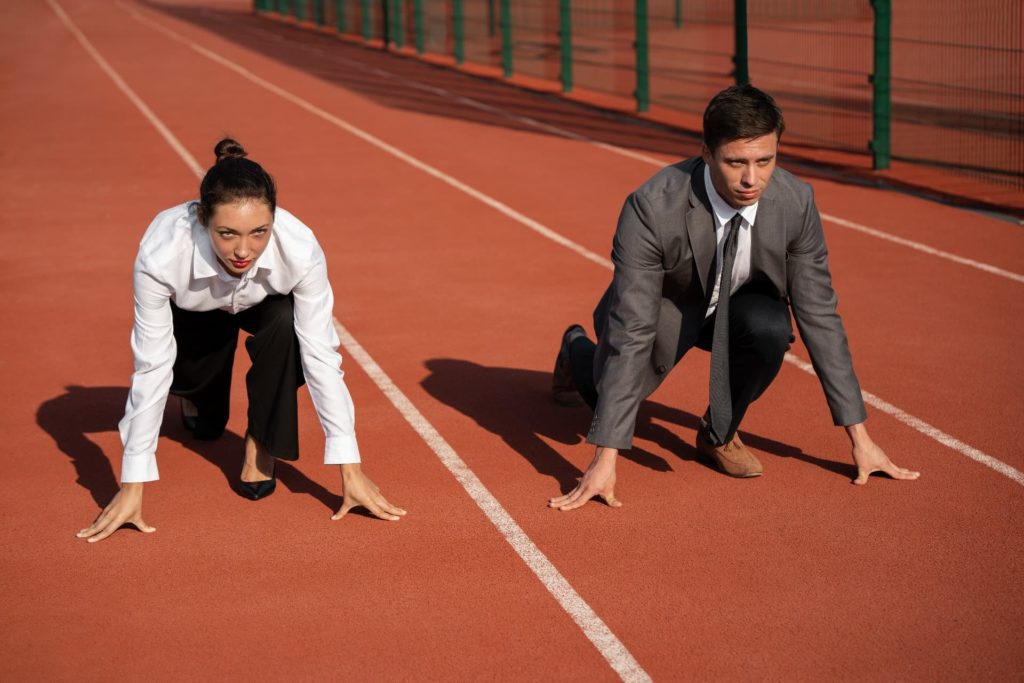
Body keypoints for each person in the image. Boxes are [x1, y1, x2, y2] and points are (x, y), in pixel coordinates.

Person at [549, 85, 919, 511]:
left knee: (771, 328)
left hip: (740, 306)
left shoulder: (795, 203)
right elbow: (631, 329)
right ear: (706, 153)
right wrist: (604, 456)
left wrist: (861, 438)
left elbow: (819, 314)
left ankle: (718, 433)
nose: (751, 179)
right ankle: (574, 348)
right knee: (604, 397)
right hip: (669, 308)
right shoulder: (651, 208)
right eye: (736, 162)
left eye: (765, 161)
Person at [77, 138, 405, 542]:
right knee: (206, 426)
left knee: (287, 323)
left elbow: (322, 355)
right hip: (194, 307)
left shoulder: (300, 249)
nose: (243, 251)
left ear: (274, 220)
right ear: (202, 220)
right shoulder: (162, 256)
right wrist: (132, 484)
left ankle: (261, 439)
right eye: (228, 233)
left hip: (263, 303)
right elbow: (152, 365)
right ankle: (199, 395)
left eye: (259, 233)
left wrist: (349, 467)